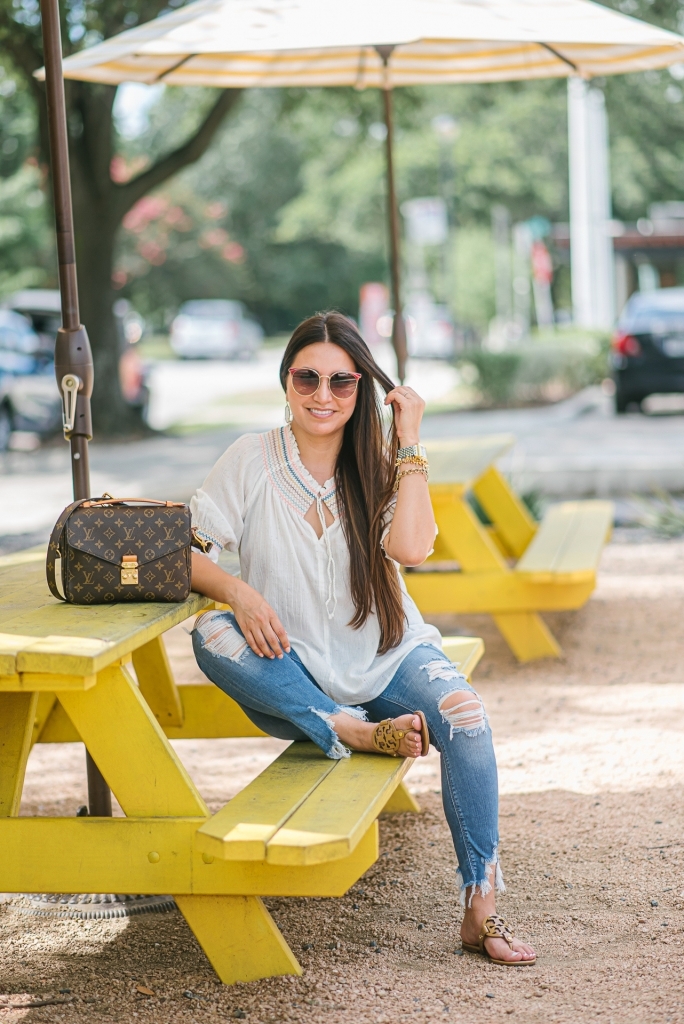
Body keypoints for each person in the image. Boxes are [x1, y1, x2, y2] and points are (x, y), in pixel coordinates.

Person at [189, 312, 536, 966]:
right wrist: (239, 591)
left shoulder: (379, 466)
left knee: (468, 716)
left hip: (389, 658)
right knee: (211, 632)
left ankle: (480, 907)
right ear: (285, 381)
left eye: (341, 382)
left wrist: (408, 441)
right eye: (307, 378)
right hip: (293, 676)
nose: (323, 395)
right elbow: (185, 552)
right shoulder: (249, 459)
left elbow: (411, 548)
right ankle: (346, 728)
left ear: (361, 390)